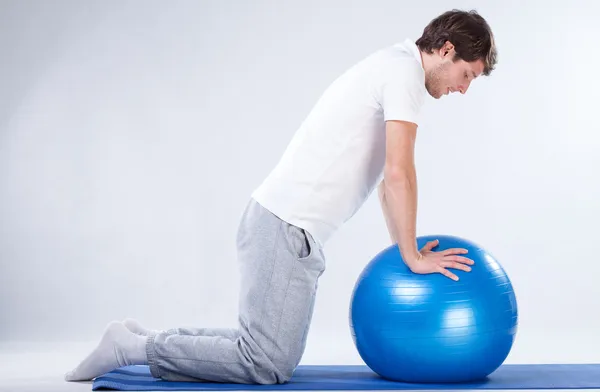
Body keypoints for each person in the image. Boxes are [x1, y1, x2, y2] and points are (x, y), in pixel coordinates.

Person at [65, 9, 497, 385]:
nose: (464, 89)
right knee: (267, 362)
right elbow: (401, 172)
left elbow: (388, 182)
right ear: (445, 50)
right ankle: (131, 349)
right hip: (285, 227)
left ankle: (140, 339)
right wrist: (414, 257)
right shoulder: (404, 74)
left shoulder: (394, 66)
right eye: (467, 75)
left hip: (282, 225)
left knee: (259, 348)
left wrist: (403, 250)